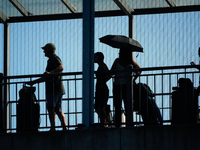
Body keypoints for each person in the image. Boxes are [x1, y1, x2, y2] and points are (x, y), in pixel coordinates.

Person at [27, 43, 68, 131]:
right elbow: (46, 77)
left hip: (54, 88)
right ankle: (64, 127)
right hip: (56, 88)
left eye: (45, 49)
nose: (44, 51)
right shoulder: (50, 60)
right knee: (57, 109)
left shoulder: (55, 58)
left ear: (49, 50)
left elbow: (61, 67)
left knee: (51, 107)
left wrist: (50, 73)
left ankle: (53, 128)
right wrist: (34, 82)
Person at [111, 47, 141, 127]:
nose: (119, 54)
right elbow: (139, 70)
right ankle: (129, 123)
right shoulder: (130, 62)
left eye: (120, 52)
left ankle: (118, 124)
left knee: (118, 106)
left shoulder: (118, 61)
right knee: (127, 105)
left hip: (118, 85)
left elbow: (111, 72)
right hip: (127, 86)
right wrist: (134, 79)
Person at [94, 52, 110, 127]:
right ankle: (103, 122)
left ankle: (104, 122)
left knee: (100, 106)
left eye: (95, 57)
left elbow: (109, 75)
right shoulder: (101, 66)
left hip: (102, 89)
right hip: (100, 88)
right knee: (98, 107)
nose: (94, 59)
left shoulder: (103, 66)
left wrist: (103, 81)